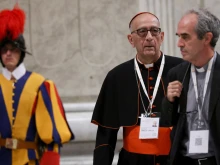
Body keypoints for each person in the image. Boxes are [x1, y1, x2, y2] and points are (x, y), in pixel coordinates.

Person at [91, 12, 183, 165]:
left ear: (162, 37)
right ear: (131, 39)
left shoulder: (182, 70)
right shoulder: (117, 76)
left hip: (175, 160)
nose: (149, 37)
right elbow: (105, 136)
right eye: (142, 31)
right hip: (132, 161)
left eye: (154, 31)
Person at [0, 4, 74, 165]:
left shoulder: (40, 85)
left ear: (21, 52)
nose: (8, 53)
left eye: (13, 49)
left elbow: (51, 138)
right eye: (3, 49)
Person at [162, 8, 220, 165]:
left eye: (185, 37)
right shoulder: (176, 74)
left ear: (207, 38)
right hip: (184, 160)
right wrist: (168, 100)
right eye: (178, 36)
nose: (179, 43)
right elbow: (167, 122)